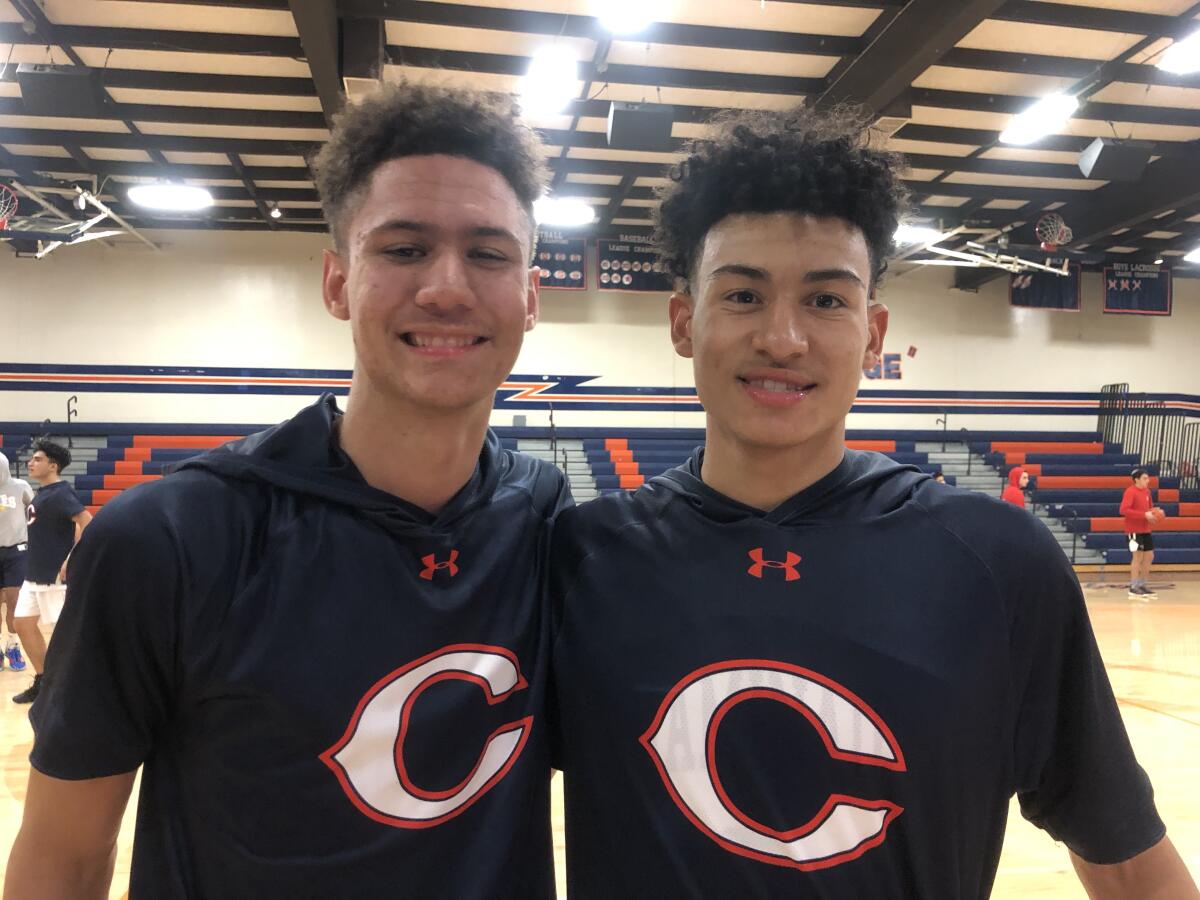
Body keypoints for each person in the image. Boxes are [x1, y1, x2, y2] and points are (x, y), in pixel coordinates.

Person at [550, 106, 1197, 898]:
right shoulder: (581, 557)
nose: (783, 338)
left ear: (873, 333)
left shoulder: (997, 565)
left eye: (826, 301)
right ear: (684, 322)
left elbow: (1132, 865)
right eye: (743, 296)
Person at [7, 82, 569, 899]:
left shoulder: (550, 521)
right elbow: (62, 858)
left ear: (529, 295)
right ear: (337, 282)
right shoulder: (169, 538)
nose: (447, 287)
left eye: (489, 253)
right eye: (403, 248)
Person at [12, 441, 90, 703]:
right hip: (32, 574)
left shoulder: (61, 493)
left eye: (37, 459)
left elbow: (87, 523)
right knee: (21, 624)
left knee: (67, 635)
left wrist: (72, 557)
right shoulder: (42, 493)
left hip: (53, 579)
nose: (30, 463)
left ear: (52, 465)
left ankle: (78, 686)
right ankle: (45, 680)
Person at [0, 450, 33, 671]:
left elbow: (34, 514)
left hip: (17, 549)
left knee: (14, 599)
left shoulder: (21, 487)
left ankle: (13, 644)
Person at [1120, 468, 1157, 600]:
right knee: (1137, 557)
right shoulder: (1130, 492)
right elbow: (1123, 510)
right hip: (1133, 531)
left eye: (1148, 478)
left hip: (1145, 529)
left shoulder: (1147, 492)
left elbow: (1149, 508)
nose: (1148, 480)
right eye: (1145, 478)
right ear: (1137, 479)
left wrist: (1153, 513)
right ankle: (1133, 586)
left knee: (1149, 556)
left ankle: (1142, 584)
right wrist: (1143, 515)